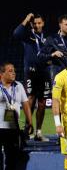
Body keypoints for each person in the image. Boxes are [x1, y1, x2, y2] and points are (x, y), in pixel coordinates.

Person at [13, 13, 49, 141]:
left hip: (44, 72)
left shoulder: (47, 38)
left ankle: (39, 133)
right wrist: (26, 19)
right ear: (31, 24)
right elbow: (16, 34)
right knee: (31, 98)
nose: (37, 25)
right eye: (35, 23)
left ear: (43, 23)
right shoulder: (28, 36)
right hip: (31, 72)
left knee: (43, 102)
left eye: (39, 23)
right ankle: (27, 129)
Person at [0, 62, 33, 170]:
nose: (13, 73)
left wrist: (29, 122)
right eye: (9, 71)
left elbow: (25, 105)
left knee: (12, 159)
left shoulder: (18, 86)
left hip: (13, 128)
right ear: (1, 74)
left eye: (13, 70)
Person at [39, 14, 67, 89]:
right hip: (59, 74)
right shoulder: (51, 39)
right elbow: (40, 56)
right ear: (60, 25)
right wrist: (52, 54)